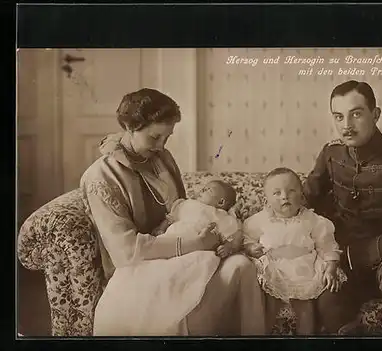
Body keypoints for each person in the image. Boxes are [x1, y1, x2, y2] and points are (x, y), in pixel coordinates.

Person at [80, 88, 266, 336]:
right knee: (192, 311)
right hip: (140, 267)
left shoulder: (161, 158)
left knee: (242, 266)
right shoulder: (101, 177)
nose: (161, 147)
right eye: (155, 137)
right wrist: (196, 243)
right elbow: (125, 252)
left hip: (180, 254)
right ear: (131, 127)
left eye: (166, 139)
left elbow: (181, 208)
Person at [303, 80, 382, 335]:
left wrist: (358, 254)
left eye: (356, 114)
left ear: (376, 114)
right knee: (328, 299)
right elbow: (307, 201)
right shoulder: (331, 153)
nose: (346, 126)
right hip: (344, 259)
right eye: (338, 116)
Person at [243, 167, 346, 335]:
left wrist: (331, 267)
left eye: (291, 191)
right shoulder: (259, 221)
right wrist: (251, 248)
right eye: (277, 193)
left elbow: (327, 246)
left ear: (301, 195)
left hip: (304, 268)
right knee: (267, 305)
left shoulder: (312, 220)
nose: (285, 196)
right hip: (273, 269)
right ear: (266, 199)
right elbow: (247, 240)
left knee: (305, 307)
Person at [160, 179, 242, 259]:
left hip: (196, 247)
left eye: (208, 190)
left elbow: (231, 237)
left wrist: (228, 247)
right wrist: (161, 228)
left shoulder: (219, 214)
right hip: (171, 239)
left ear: (221, 202)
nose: (202, 190)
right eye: (204, 188)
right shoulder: (187, 203)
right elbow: (170, 218)